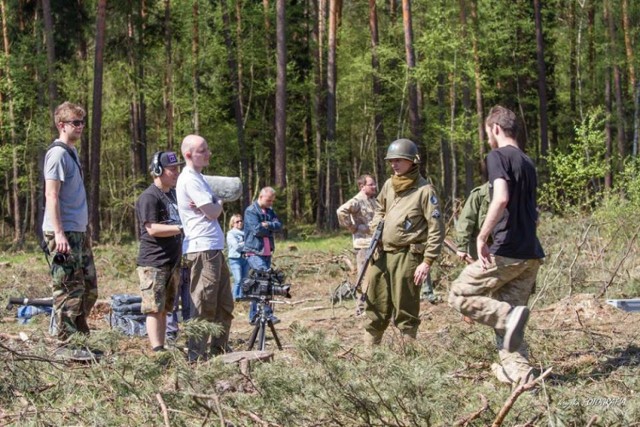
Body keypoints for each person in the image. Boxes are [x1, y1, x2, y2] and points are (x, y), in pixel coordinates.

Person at [448, 105, 545, 387]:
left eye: (487, 132)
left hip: (506, 250)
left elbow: (500, 197)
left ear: (496, 129)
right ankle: (522, 376)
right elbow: (532, 211)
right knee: (509, 331)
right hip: (530, 254)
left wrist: (482, 237)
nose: (487, 138)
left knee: (458, 294)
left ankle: (509, 315)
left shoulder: (498, 156)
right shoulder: (527, 162)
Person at [364, 138, 444, 346]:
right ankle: (369, 359)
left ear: (412, 161)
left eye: (399, 160)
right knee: (375, 305)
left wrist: (426, 262)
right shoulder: (389, 185)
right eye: (391, 161)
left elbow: (436, 229)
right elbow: (379, 209)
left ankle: (407, 363)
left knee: (406, 311)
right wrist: (376, 228)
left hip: (407, 256)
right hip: (381, 254)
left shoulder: (425, 190)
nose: (394, 164)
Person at [42, 102, 98, 350]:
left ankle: (80, 339)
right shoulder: (56, 154)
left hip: (78, 231)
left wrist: (84, 229)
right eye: (76, 123)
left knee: (89, 288)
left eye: (82, 122)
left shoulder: (71, 152)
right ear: (61, 125)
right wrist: (59, 233)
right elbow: (51, 195)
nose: (81, 127)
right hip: (62, 233)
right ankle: (66, 344)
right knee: (67, 289)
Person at [177, 135, 234, 361]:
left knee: (224, 305)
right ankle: (196, 356)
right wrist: (218, 202)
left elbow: (210, 208)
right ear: (189, 154)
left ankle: (219, 352)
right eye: (203, 150)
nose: (208, 153)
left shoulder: (200, 178)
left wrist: (213, 202)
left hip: (214, 248)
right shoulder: (189, 179)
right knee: (203, 304)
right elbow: (212, 212)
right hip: (202, 249)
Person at [135, 151, 185, 352]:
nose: (176, 172)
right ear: (157, 171)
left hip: (172, 261)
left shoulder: (173, 194)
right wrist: (181, 228)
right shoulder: (149, 197)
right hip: (154, 262)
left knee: (166, 308)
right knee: (154, 308)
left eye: (177, 168)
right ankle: (157, 349)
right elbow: (152, 229)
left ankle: (162, 345)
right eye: (171, 169)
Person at [243, 187, 282, 324]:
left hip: (266, 252)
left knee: (259, 283)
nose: (271, 203)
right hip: (254, 252)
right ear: (260, 197)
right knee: (264, 280)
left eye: (272, 201)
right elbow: (257, 230)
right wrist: (269, 228)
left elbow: (279, 225)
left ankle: (254, 316)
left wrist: (268, 224)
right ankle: (267, 314)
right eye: (269, 200)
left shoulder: (270, 211)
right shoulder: (250, 211)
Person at [336, 174, 379, 277]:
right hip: (363, 246)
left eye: (374, 184)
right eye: (371, 184)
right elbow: (341, 211)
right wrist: (352, 227)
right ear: (362, 186)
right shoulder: (358, 201)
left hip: (374, 244)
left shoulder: (373, 200)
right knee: (363, 279)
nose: (374, 186)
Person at [454, 181, 490, 262]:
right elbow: (466, 220)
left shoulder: (516, 192)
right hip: (481, 246)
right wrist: (462, 247)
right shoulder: (479, 194)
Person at [226, 213, 249, 301]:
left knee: (245, 280)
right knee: (238, 279)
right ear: (232, 223)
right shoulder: (230, 234)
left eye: (241, 221)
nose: (240, 223)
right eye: (237, 221)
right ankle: (235, 298)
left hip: (245, 258)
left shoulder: (246, 233)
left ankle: (242, 297)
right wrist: (247, 242)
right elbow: (236, 247)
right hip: (235, 259)